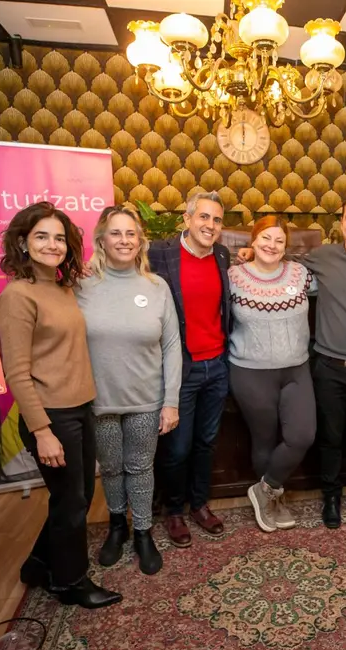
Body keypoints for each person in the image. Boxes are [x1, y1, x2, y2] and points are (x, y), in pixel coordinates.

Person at [239, 193, 346, 529]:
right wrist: (249, 252)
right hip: (328, 365)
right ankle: (331, 497)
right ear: (341, 223)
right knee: (329, 437)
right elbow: (278, 263)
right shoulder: (321, 257)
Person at [0, 201, 121, 609]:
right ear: (23, 243)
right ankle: (71, 583)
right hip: (51, 416)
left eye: (59, 238)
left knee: (77, 496)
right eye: (41, 236)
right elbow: (16, 372)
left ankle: (39, 563)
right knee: (72, 503)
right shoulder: (17, 296)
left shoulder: (62, 288)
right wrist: (43, 431)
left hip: (79, 407)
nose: (52, 245)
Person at [76, 204, 181, 575]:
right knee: (112, 467)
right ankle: (116, 526)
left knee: (140, 466)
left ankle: (142, 533)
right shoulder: (80, 287)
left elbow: (171, 346)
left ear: (141, 242)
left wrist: (170, 403)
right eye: (116, 233)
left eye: (131, 233)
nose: (124, 240)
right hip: (99, 400)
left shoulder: (156, 287)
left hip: (145, 400)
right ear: (101, 240)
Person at [148, 190, 231, 548]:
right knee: (177, 447)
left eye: (216, 220)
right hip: (181, 369)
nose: (209, 225)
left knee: (206, 443)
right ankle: (174, 510)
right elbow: (121, 267)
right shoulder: (159, 254)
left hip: (218, 366)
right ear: (187, 219)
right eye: (203, 217)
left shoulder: (224, 256)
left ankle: (199, 504)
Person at [228, 216, 315, 532]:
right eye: (265, 238)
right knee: (263, 439)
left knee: (302, 435)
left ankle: (264, 489)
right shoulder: (233, 277)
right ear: (253, 240)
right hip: (250, 371)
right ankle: (272, 500)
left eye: (279, 240)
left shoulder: (301, 274)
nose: (272, 246)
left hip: (296, 368)